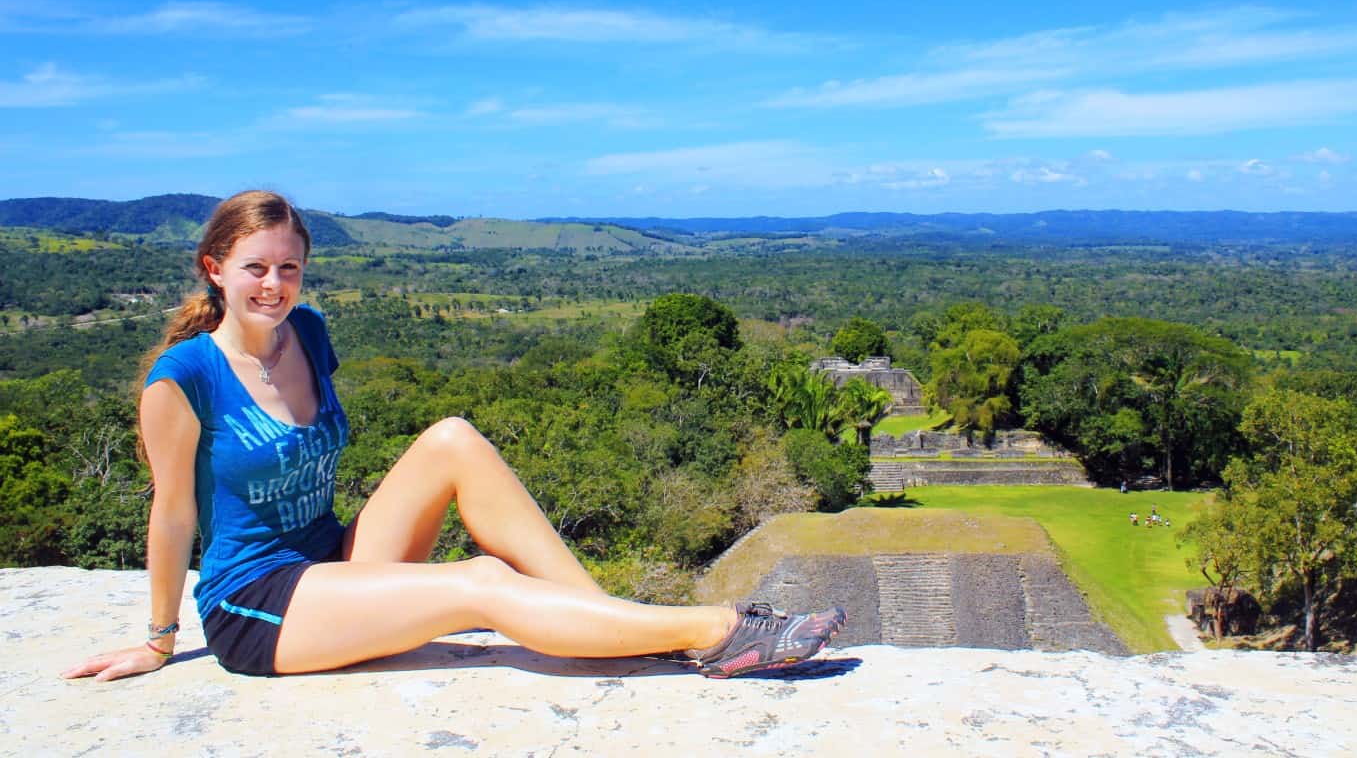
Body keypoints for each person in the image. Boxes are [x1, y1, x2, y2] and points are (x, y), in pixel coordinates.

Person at [64, 190, 844, 682]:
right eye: (256, 269)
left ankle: (606, 620)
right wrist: (160, 640)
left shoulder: (308, 331)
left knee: (454, 437)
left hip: (334, 561)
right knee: (482, 585)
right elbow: (171, 515)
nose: (274, 286)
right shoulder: (184, 376)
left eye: (290, 269)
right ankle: (716, 632)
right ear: (215, 270)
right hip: (260, 604)